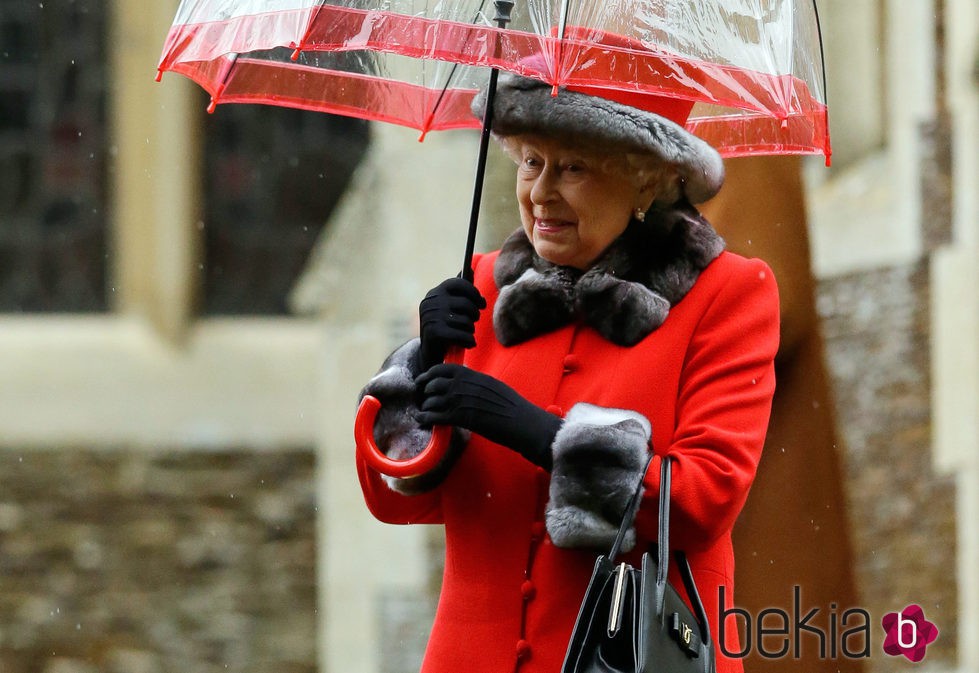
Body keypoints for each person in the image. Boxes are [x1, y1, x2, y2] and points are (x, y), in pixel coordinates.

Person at [356, 68, 780, 673]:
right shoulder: (481, 288)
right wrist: (417, 366)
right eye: (531, 162)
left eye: (573, 168)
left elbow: (702, 501)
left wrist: (541, 435)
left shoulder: (727, 294)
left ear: (647, 180)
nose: (539, 194)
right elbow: (395, 497)